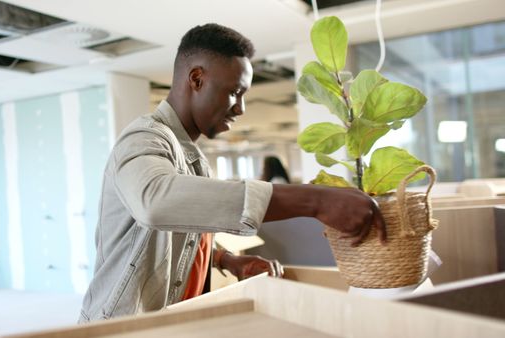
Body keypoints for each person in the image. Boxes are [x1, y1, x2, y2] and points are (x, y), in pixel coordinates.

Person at [79, 23, 386, 323]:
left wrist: (228, 260)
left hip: (169, 324)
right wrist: (315, 201)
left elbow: (179, 233)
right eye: (235, 92)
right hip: (119, 327)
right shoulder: (144, 138)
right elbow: (156, 203)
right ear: (197, 78)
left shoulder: (194, 157)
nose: (241, 108)